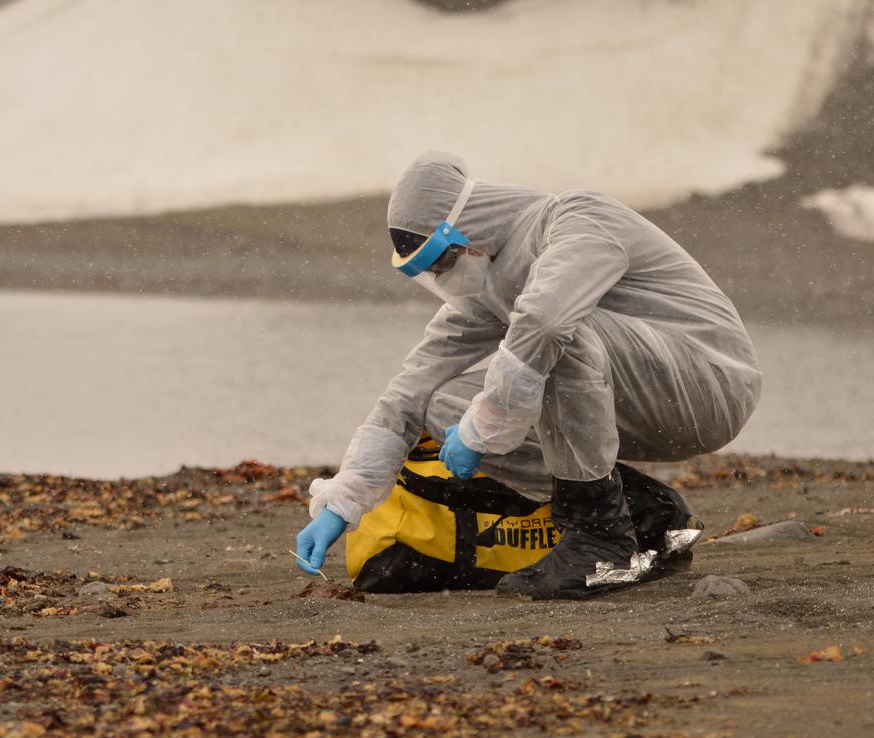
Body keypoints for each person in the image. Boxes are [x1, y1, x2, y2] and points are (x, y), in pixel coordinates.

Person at [294, 151, 761, 599]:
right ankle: (642, 513)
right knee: (440, 400)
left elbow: (548, 324)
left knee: (549, 334)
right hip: (640, 398)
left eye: (440, 261)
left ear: (466, 226)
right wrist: (343, 500)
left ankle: (600, 542)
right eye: (426, 271)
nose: (440, 277)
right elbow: (408, 393)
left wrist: (483, 428)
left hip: (712, 385)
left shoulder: (580, 219)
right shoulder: (487, 285)